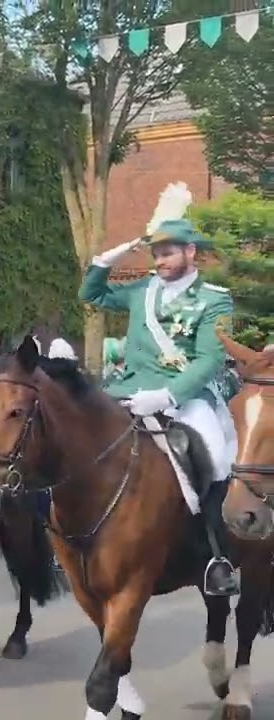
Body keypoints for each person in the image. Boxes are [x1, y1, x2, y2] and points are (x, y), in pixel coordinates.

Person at [79, 181, 238, 596]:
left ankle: (218, 555)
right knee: (78, 443)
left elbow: (209, 359)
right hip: (129, 391)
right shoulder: (139, 292)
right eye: (156, 252)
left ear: (190, 253)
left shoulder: (215, 301)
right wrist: (103, 259)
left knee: (218, 461)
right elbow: (90, 294)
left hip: (185, 398)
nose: (161, 259)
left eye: (169, 251)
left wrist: (169, 396)